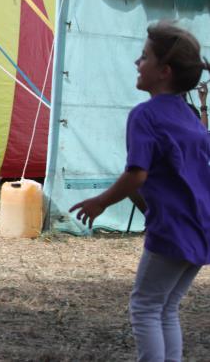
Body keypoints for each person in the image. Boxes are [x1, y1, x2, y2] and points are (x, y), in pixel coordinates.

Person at [69, 21, 210, 362]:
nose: (136, 63)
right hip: (201, 226)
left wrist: (100, 202)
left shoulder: (145, 115)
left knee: (145, 307)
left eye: (144, 57)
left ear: (164, 71)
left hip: (172, 227)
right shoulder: (190, 117)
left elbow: (136, 174)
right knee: (167, 307)